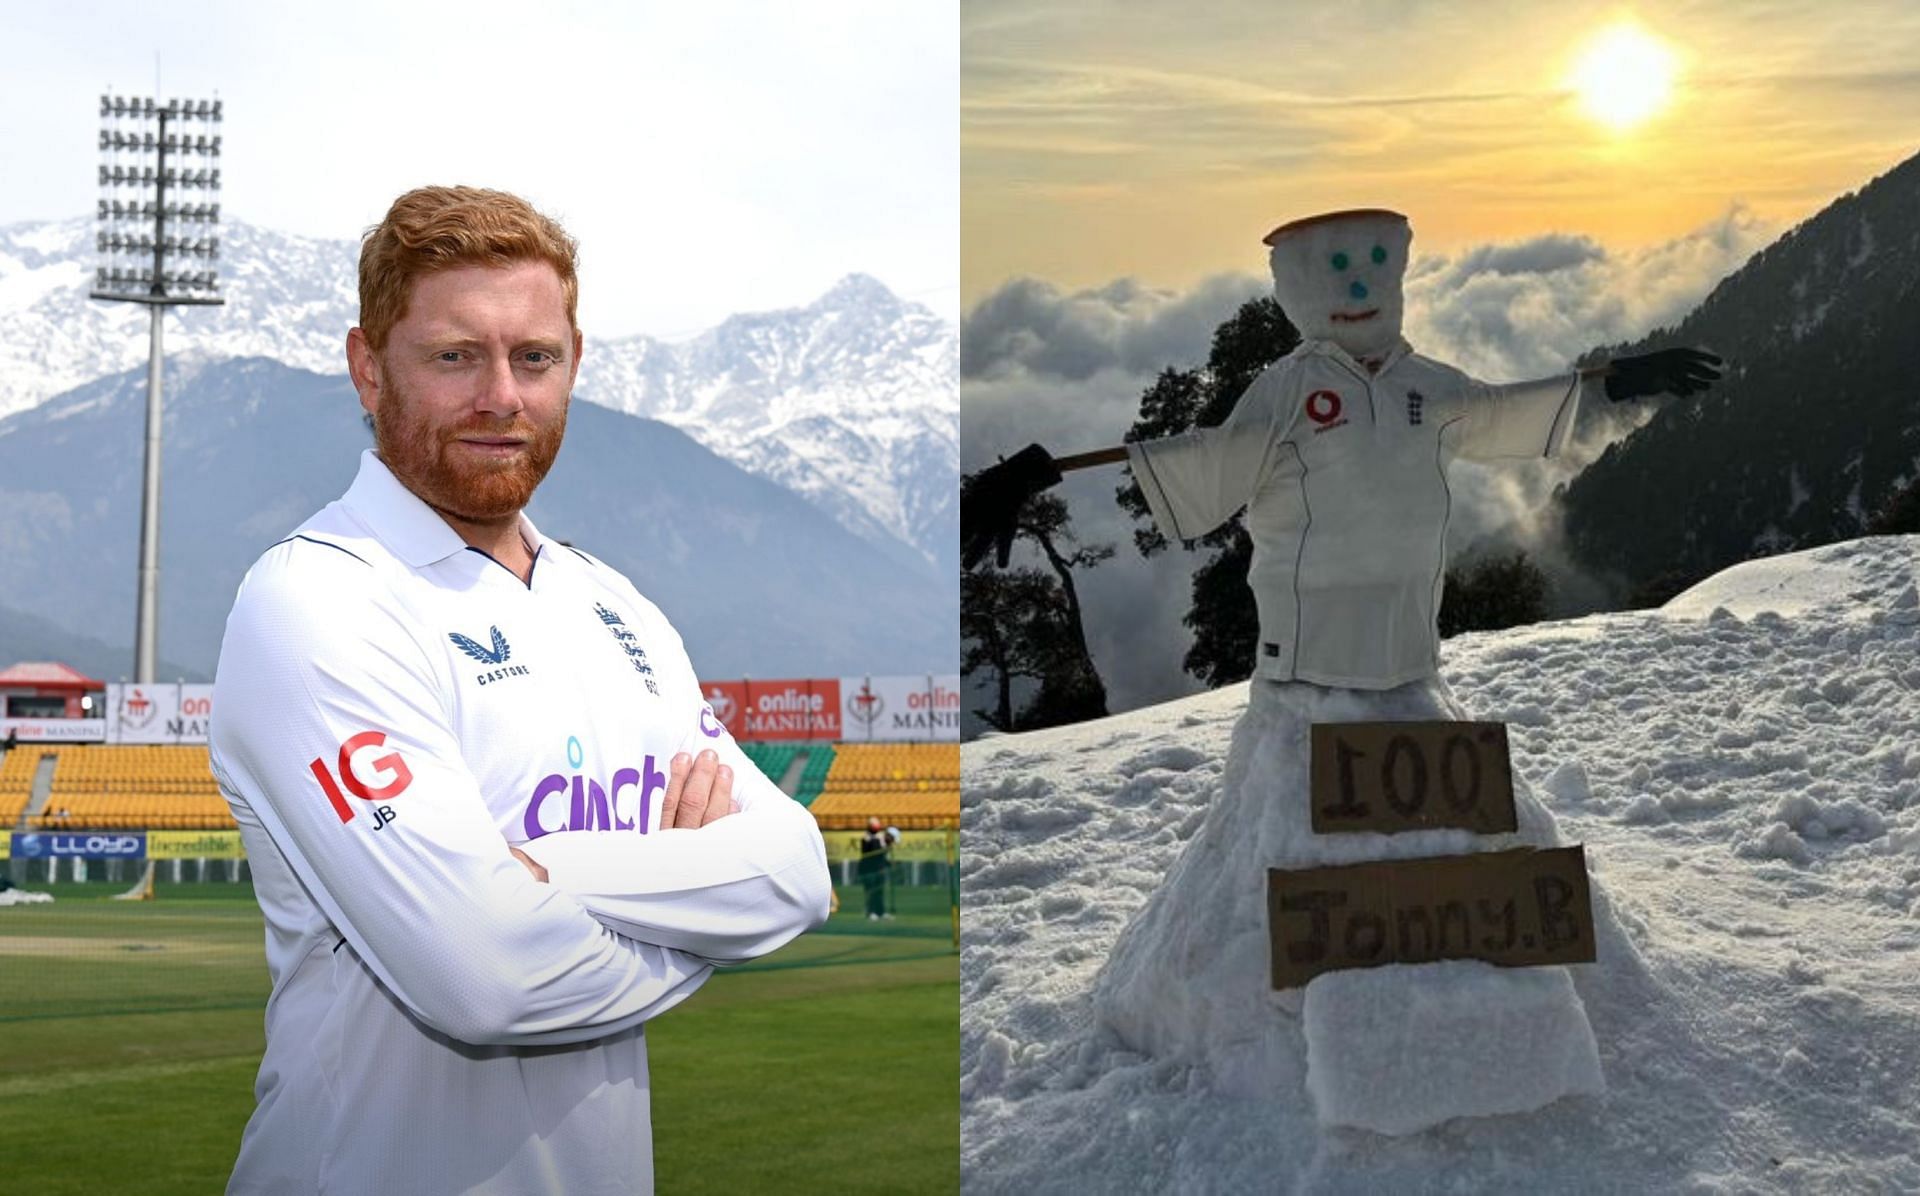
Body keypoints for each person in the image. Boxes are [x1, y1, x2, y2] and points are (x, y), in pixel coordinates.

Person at [963, 208, 1723, 1131]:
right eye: (1336, 270)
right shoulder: (1287, 391)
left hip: (1410, 661)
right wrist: (1033, 473)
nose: (1359, 286)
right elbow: (1203, 456)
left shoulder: (1425, 385)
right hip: (1308, 672)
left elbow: (1500, 407)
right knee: (1295, 823)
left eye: (1373, 263)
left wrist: (1607, 383)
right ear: (1298, 288)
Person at [209, 185, 831, 1194]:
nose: (502, 393)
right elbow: (485, 979)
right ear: (369, 368)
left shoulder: (616, 605)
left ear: (573, 364)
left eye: (533, 357)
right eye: (455, 355)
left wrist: (546, 872)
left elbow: (795, 869)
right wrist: (698, 915)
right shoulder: (316, 598)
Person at [857, 816, 891, 919]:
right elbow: (868, 852)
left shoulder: (881, 837)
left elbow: (884, 851)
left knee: (880, 891)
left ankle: (881, 912)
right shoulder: (866, 838)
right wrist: (876, 841)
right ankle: (871, 912)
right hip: (869, 869)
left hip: (879, 869)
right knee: (870, 891)